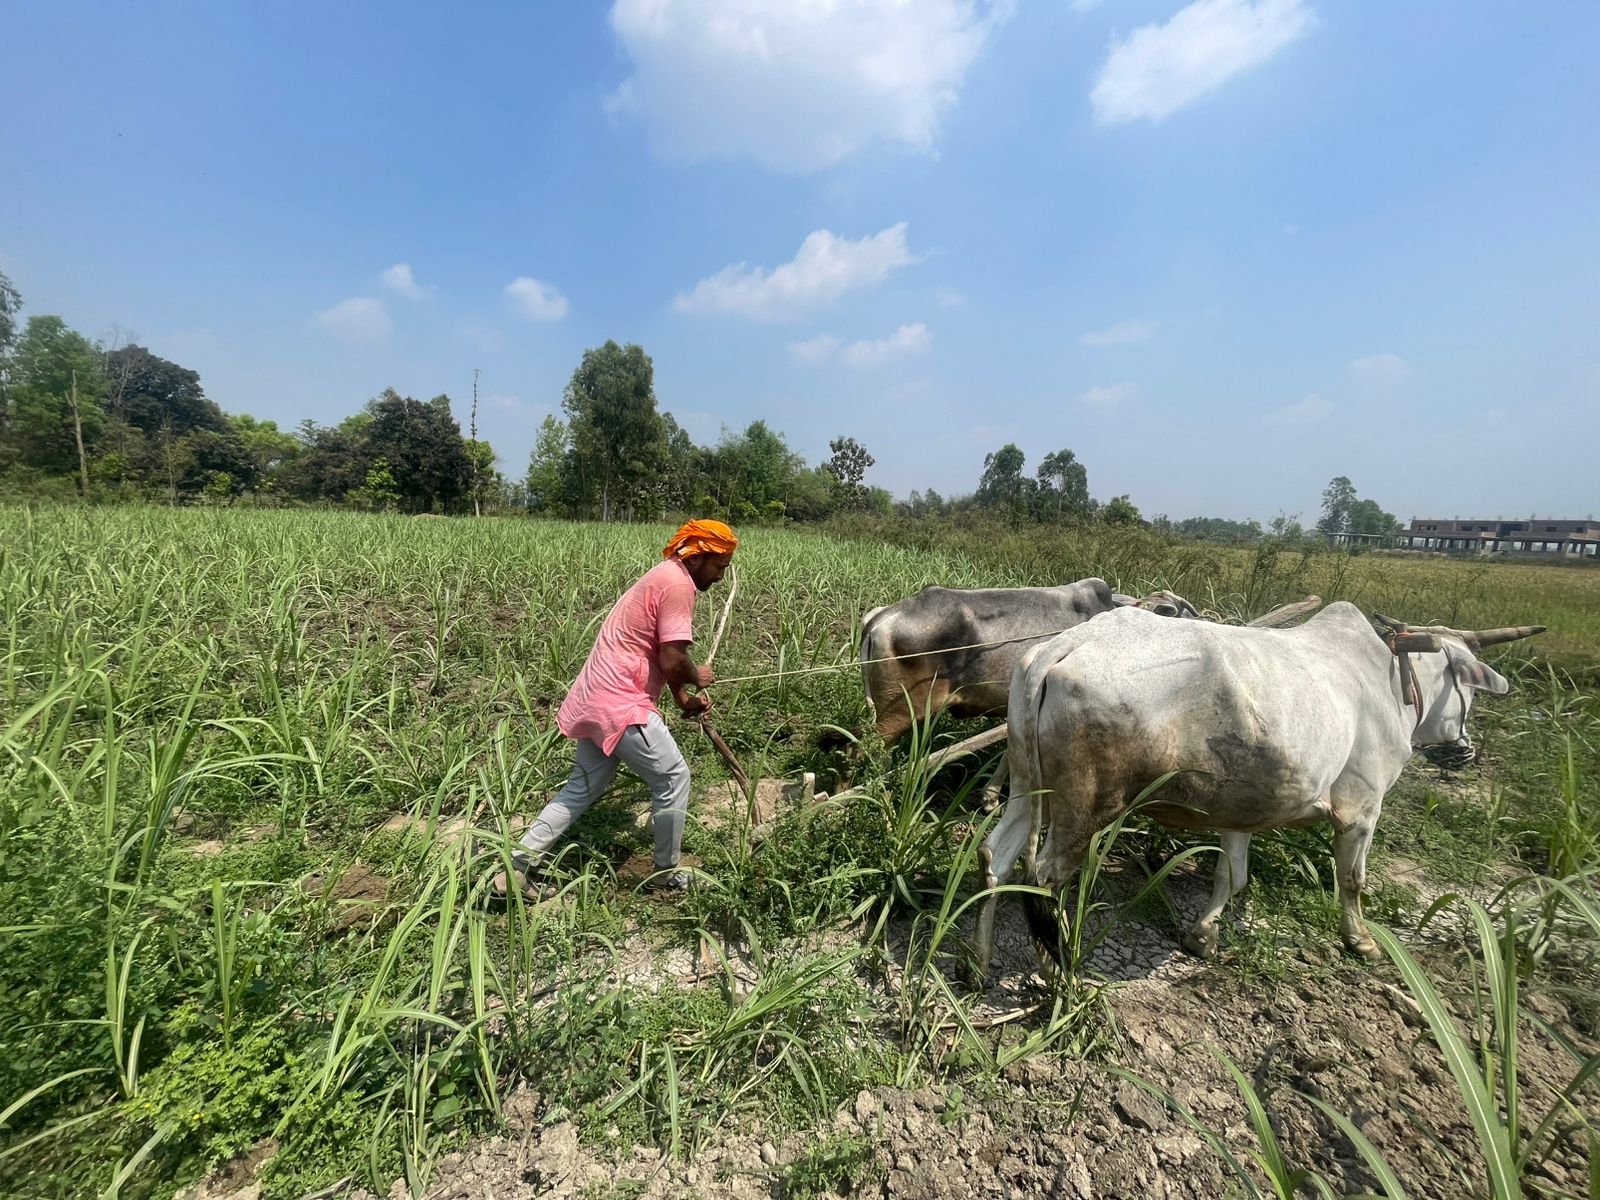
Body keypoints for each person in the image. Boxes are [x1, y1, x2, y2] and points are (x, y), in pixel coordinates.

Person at [490, 519, 737, 902]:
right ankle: (666, 874)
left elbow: (662, 653)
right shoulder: (678, 585)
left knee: (582, 788)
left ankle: (513, 871)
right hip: (620, 702)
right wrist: (697, 676)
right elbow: (673, 660)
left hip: (595, 696)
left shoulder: (663, 576)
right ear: (699, 556)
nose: (721, 577)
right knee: (673, 778)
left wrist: (682, 699)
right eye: (719, 567)